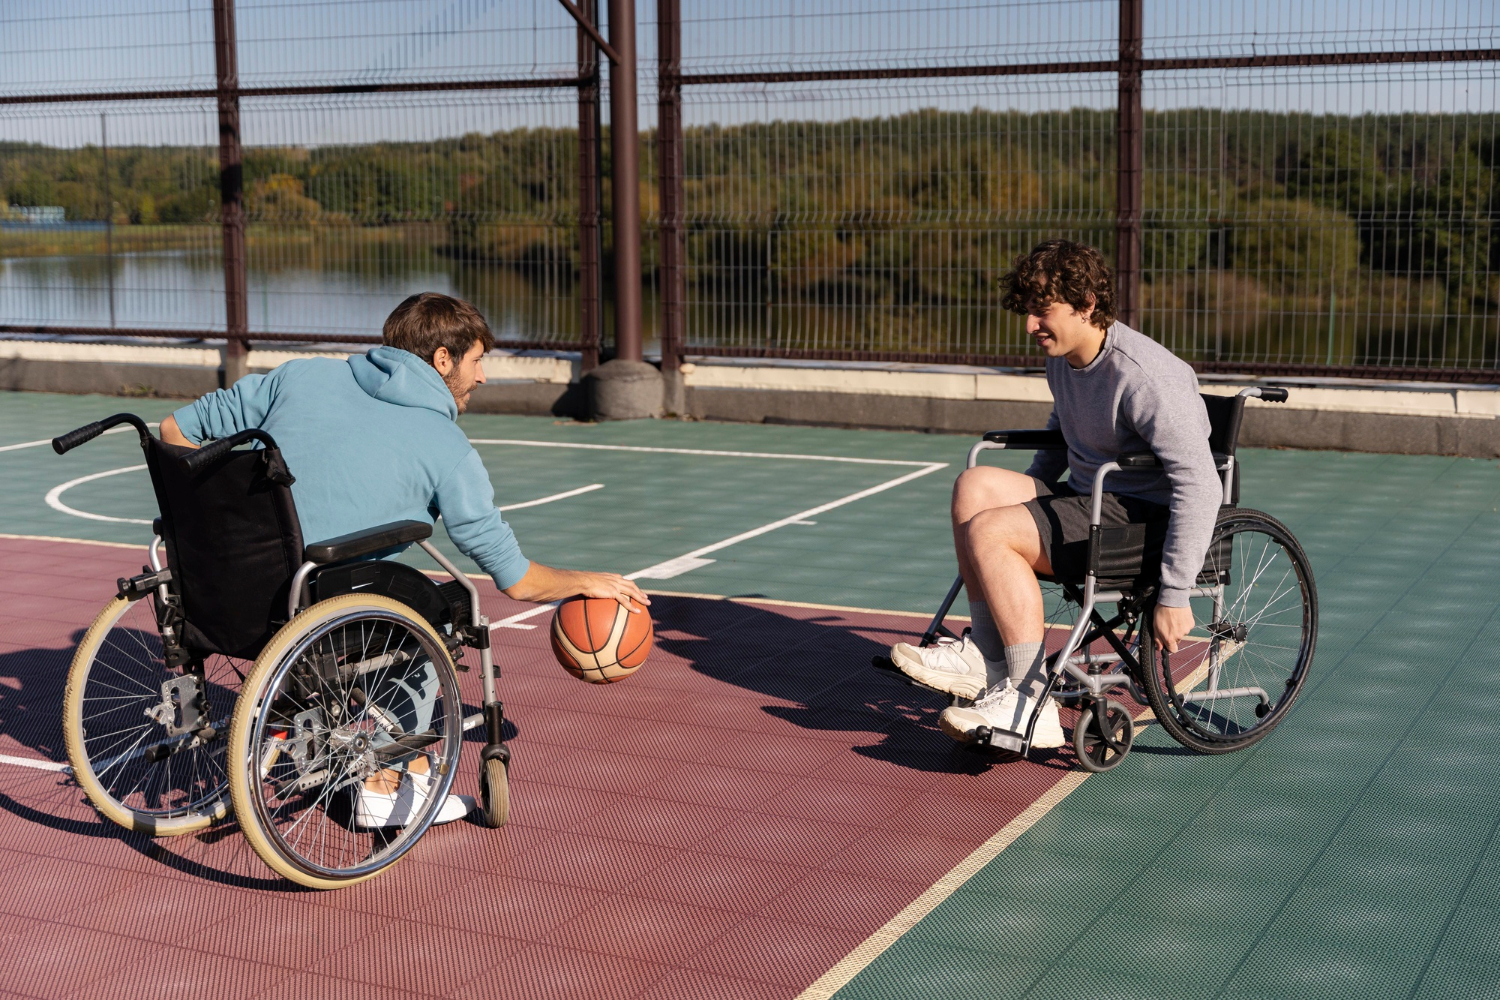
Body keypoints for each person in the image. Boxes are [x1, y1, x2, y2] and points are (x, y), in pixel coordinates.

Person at [162, 292, 649, 823]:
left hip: (225, 589)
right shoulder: (446, 447)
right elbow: (516, 580)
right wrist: (587, 581)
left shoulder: (298, 376)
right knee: (438, 611)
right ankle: (387, 785)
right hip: (320, 606)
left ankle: (302, 722)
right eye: (477, 360)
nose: (483, 377)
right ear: (443, 359)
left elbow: (174, 431)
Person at [889, 240, 1220, 749]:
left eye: (1041, 311)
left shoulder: (1145, 376)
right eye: (1027, 311)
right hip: (1091, 502)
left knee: (992, 530)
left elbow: (1201, 483)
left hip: (1141, 521)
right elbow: (1064, 436)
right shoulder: (1064, 360)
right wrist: (1017, 503)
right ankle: (988, 660)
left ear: (1086, 304)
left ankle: (1028, 701)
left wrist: (1175, 593)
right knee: (974, 487)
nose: (1029, 325)